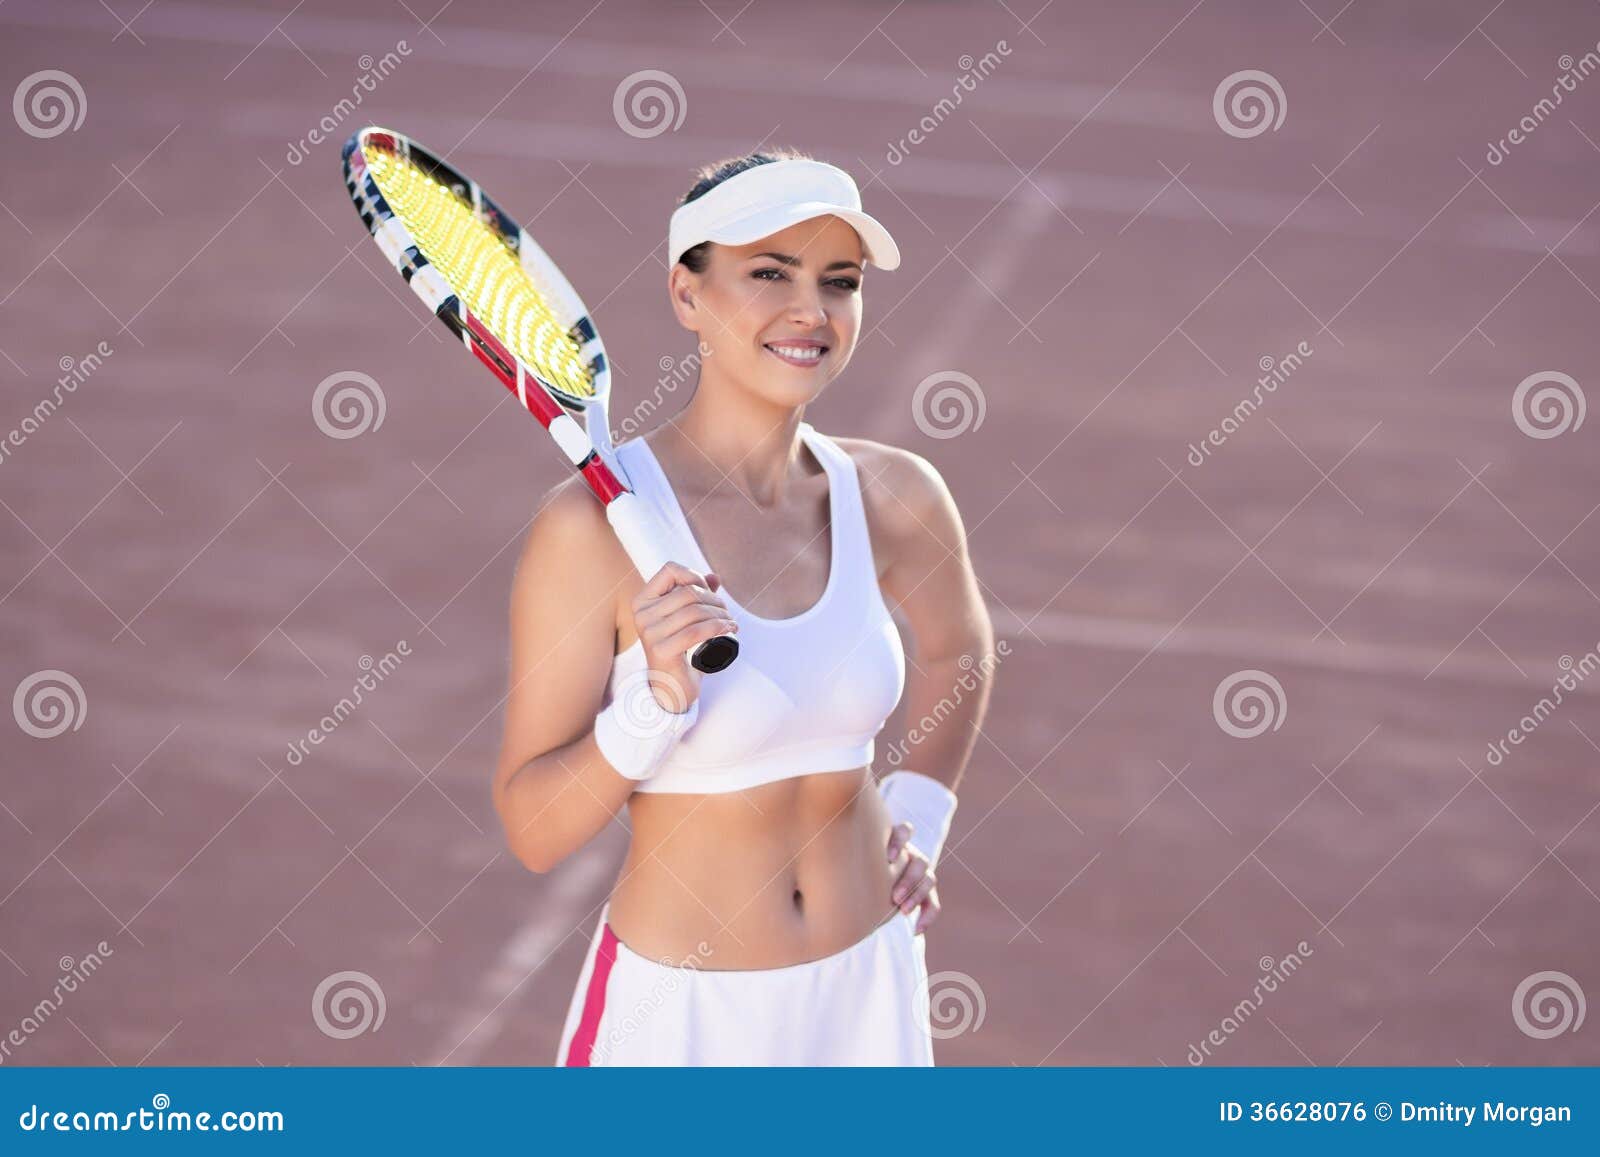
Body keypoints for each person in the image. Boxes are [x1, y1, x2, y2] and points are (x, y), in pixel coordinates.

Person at [491, 149, 995, 1065]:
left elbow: (957, 647)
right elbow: (533, 826)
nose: (811, 310)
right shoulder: (587, 531)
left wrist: (919, 812)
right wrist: (653, 707)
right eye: (769, 273)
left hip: (867, 992)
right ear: (688, 295)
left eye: (838, 283)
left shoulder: (896, 494)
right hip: (681, 1025)